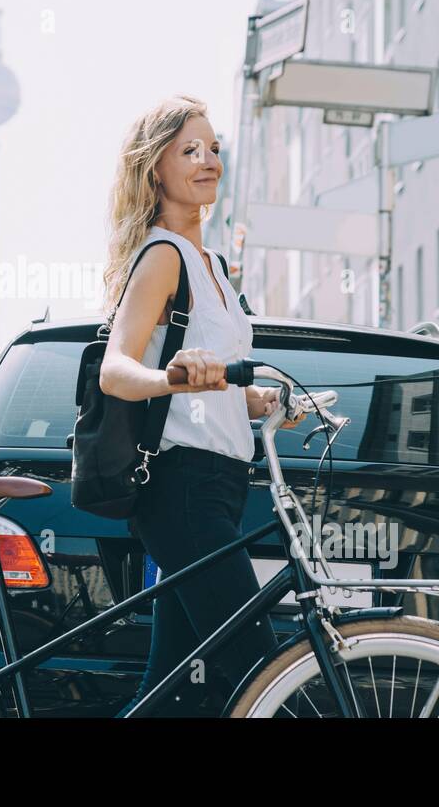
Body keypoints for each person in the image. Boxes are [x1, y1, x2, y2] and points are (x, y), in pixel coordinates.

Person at [100, 95, 302, 717]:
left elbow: (219, 383)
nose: (208, 159)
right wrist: (172, 378)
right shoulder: (164, 255)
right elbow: (116, 370)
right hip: (180, 487)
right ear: (155, 169)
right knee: (260, 673)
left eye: (214, 148)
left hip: (219, 486)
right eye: (190, 150)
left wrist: (265, 401)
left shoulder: (213, 264)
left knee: (170, 695)